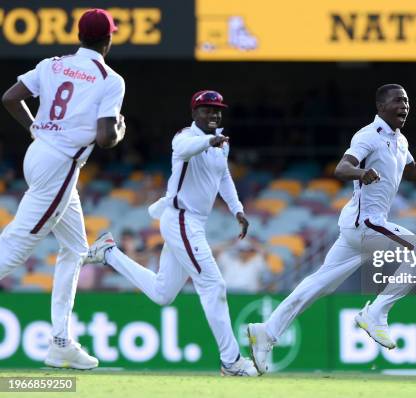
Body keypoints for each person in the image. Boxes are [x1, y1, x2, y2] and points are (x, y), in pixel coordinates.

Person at [247, 84, 416, 374]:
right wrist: (361, 172)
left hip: (357, 227)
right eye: (397, 100)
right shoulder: (368, 135)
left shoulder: (400, 140)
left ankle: (267, 331)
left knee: (319, 284)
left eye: (407, 101)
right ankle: (375, 314)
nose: (404, 106)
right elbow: (342, 168)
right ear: (381, 106)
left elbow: (414, 170)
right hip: (367, 223)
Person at [85, 90, 258, 376]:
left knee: (163, 293)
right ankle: (231, 361)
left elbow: (224, 176)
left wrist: (237, 209)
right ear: (194, 114)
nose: (214, 114)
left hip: (192, 223)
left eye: (217, 110)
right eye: (207, 109)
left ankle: (109, 253)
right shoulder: (185, 137)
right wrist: (210, 140)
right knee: (214, 287)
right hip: (181, 219)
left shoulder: (221, 143)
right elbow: (184, 150)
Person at [0, 9, 125, 370]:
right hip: (60, 166)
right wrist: (120, 130)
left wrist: (34, 127)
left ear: (79, 36)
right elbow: (104, 138)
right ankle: (59, 342)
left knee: (76, 247)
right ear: (108, 40)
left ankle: (60, 343)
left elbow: (10, 97)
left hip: (39, 152)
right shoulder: (109, 78)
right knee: (13, 249)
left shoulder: (52, 64)